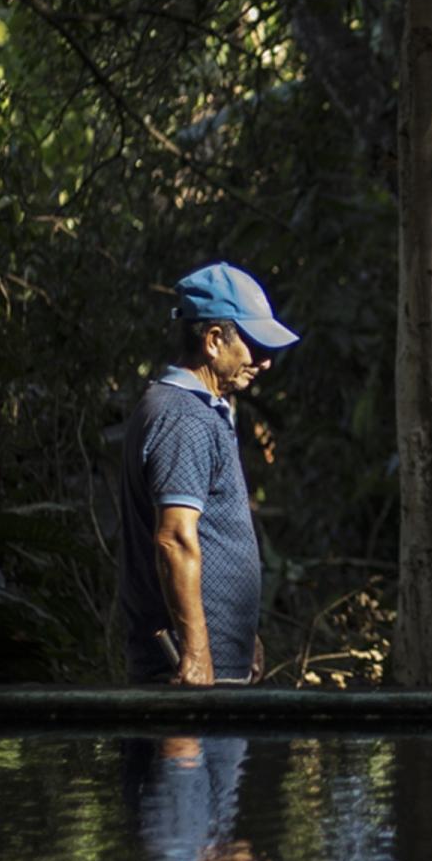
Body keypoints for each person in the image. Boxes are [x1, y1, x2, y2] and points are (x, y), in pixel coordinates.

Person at [117, 261, 297, 685]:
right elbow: (175, 538)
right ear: (214, 341)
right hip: (187, 676)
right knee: (184, 754)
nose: (265, 362)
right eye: (255, 345)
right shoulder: (183, 415)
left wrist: (241, 634)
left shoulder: (200, 411)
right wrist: (197, 654)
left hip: (213, 670)